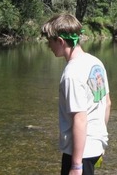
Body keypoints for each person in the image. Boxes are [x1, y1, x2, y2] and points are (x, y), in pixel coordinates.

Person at [42, 14, 111, 175]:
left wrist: (76, 165)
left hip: (79, 151)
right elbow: (107, 103)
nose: (48, 46)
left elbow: (80, 118)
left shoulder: (72, 74)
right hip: (95, 145)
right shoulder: (95, 62)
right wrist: (100, 139)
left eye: (49, 42)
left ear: (60, 41)